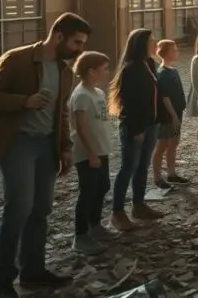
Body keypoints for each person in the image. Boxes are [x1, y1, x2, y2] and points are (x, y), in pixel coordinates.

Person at [0, 13, 90, 298]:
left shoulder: (65, 69)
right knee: (18, 209)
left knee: (41, 210)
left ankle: (33, 271)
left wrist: (64, 146)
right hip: (17, 144)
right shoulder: (18, 58)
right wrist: (23, 102)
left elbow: (61, 109)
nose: (79, 49)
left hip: (46, 146)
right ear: (59, 35)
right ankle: (2, 280)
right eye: (77, 42)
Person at [109, 29, 165, 232]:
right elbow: (130, 103)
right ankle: (117, 212)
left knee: (142, 166)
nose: (155, 43)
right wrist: (137, 129)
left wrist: (159, 120)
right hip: (136, 127)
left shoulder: (149, 64)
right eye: (152, 40)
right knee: (128, 168)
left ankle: (138, 205)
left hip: (150, 125)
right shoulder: (131, 69)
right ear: (142, 44)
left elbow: (154, 95)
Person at [68, 51, 118, 255]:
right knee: (87, 192)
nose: (107, 73)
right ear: (91, 71)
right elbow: (81, 127)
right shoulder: (80, 95)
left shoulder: (97, 93)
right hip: (88, 153)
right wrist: (91, 153)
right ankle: (80, 235)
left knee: (102, 186)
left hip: (101, 148)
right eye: (104, 69)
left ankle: (95, 225)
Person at [152, 40, 188, 189]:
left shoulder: (173, 71)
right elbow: (165, 97)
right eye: (174, 50)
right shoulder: (162, 73)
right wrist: (173, 115)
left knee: (174, 142)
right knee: (162, 145)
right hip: (167, 115)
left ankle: (171, 173)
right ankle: (157, 176)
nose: (177, 52)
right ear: (166, 53)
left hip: (177, 112)